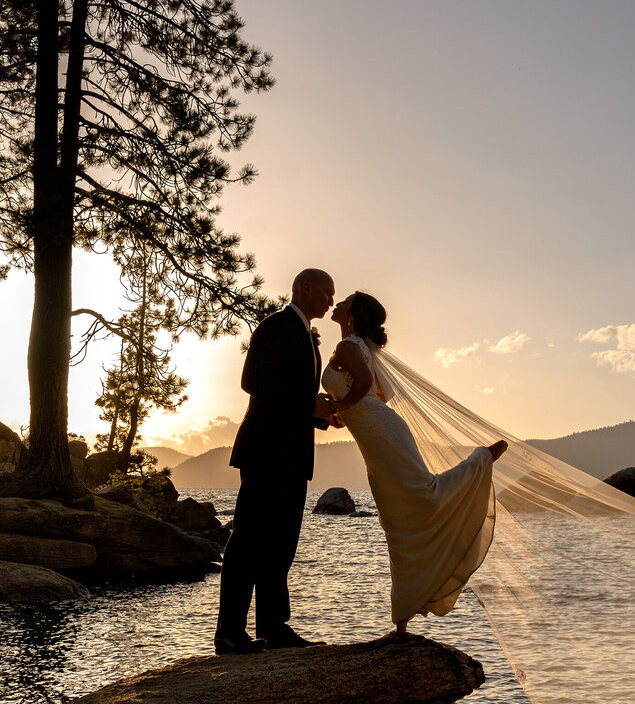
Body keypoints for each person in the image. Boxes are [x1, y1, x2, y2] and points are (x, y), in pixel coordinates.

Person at [322, 292, 508, 633]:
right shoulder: (356, 346)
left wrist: (339, 407)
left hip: (383, 432)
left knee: (420, 497)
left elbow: (363, 387)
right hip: (377, 433)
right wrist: (343, 411)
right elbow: (375, 394)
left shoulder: (350, 346)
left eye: (345, 300)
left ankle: (481, 459)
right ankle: (403, 618)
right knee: (397, 517)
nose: (337, 303)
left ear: (353, 313)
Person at [214, 268, 338, 653]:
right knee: (248, 541)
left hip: (293, 456)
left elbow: (292, 396)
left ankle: (273, 627)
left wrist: (319, 415)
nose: (331, 300)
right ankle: (229, 633)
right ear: (306, 287)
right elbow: (253, 381)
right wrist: (308, 403)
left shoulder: (309, 340)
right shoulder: (275, 326)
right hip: (266, 452)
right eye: (327, 292)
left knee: (281, 546)